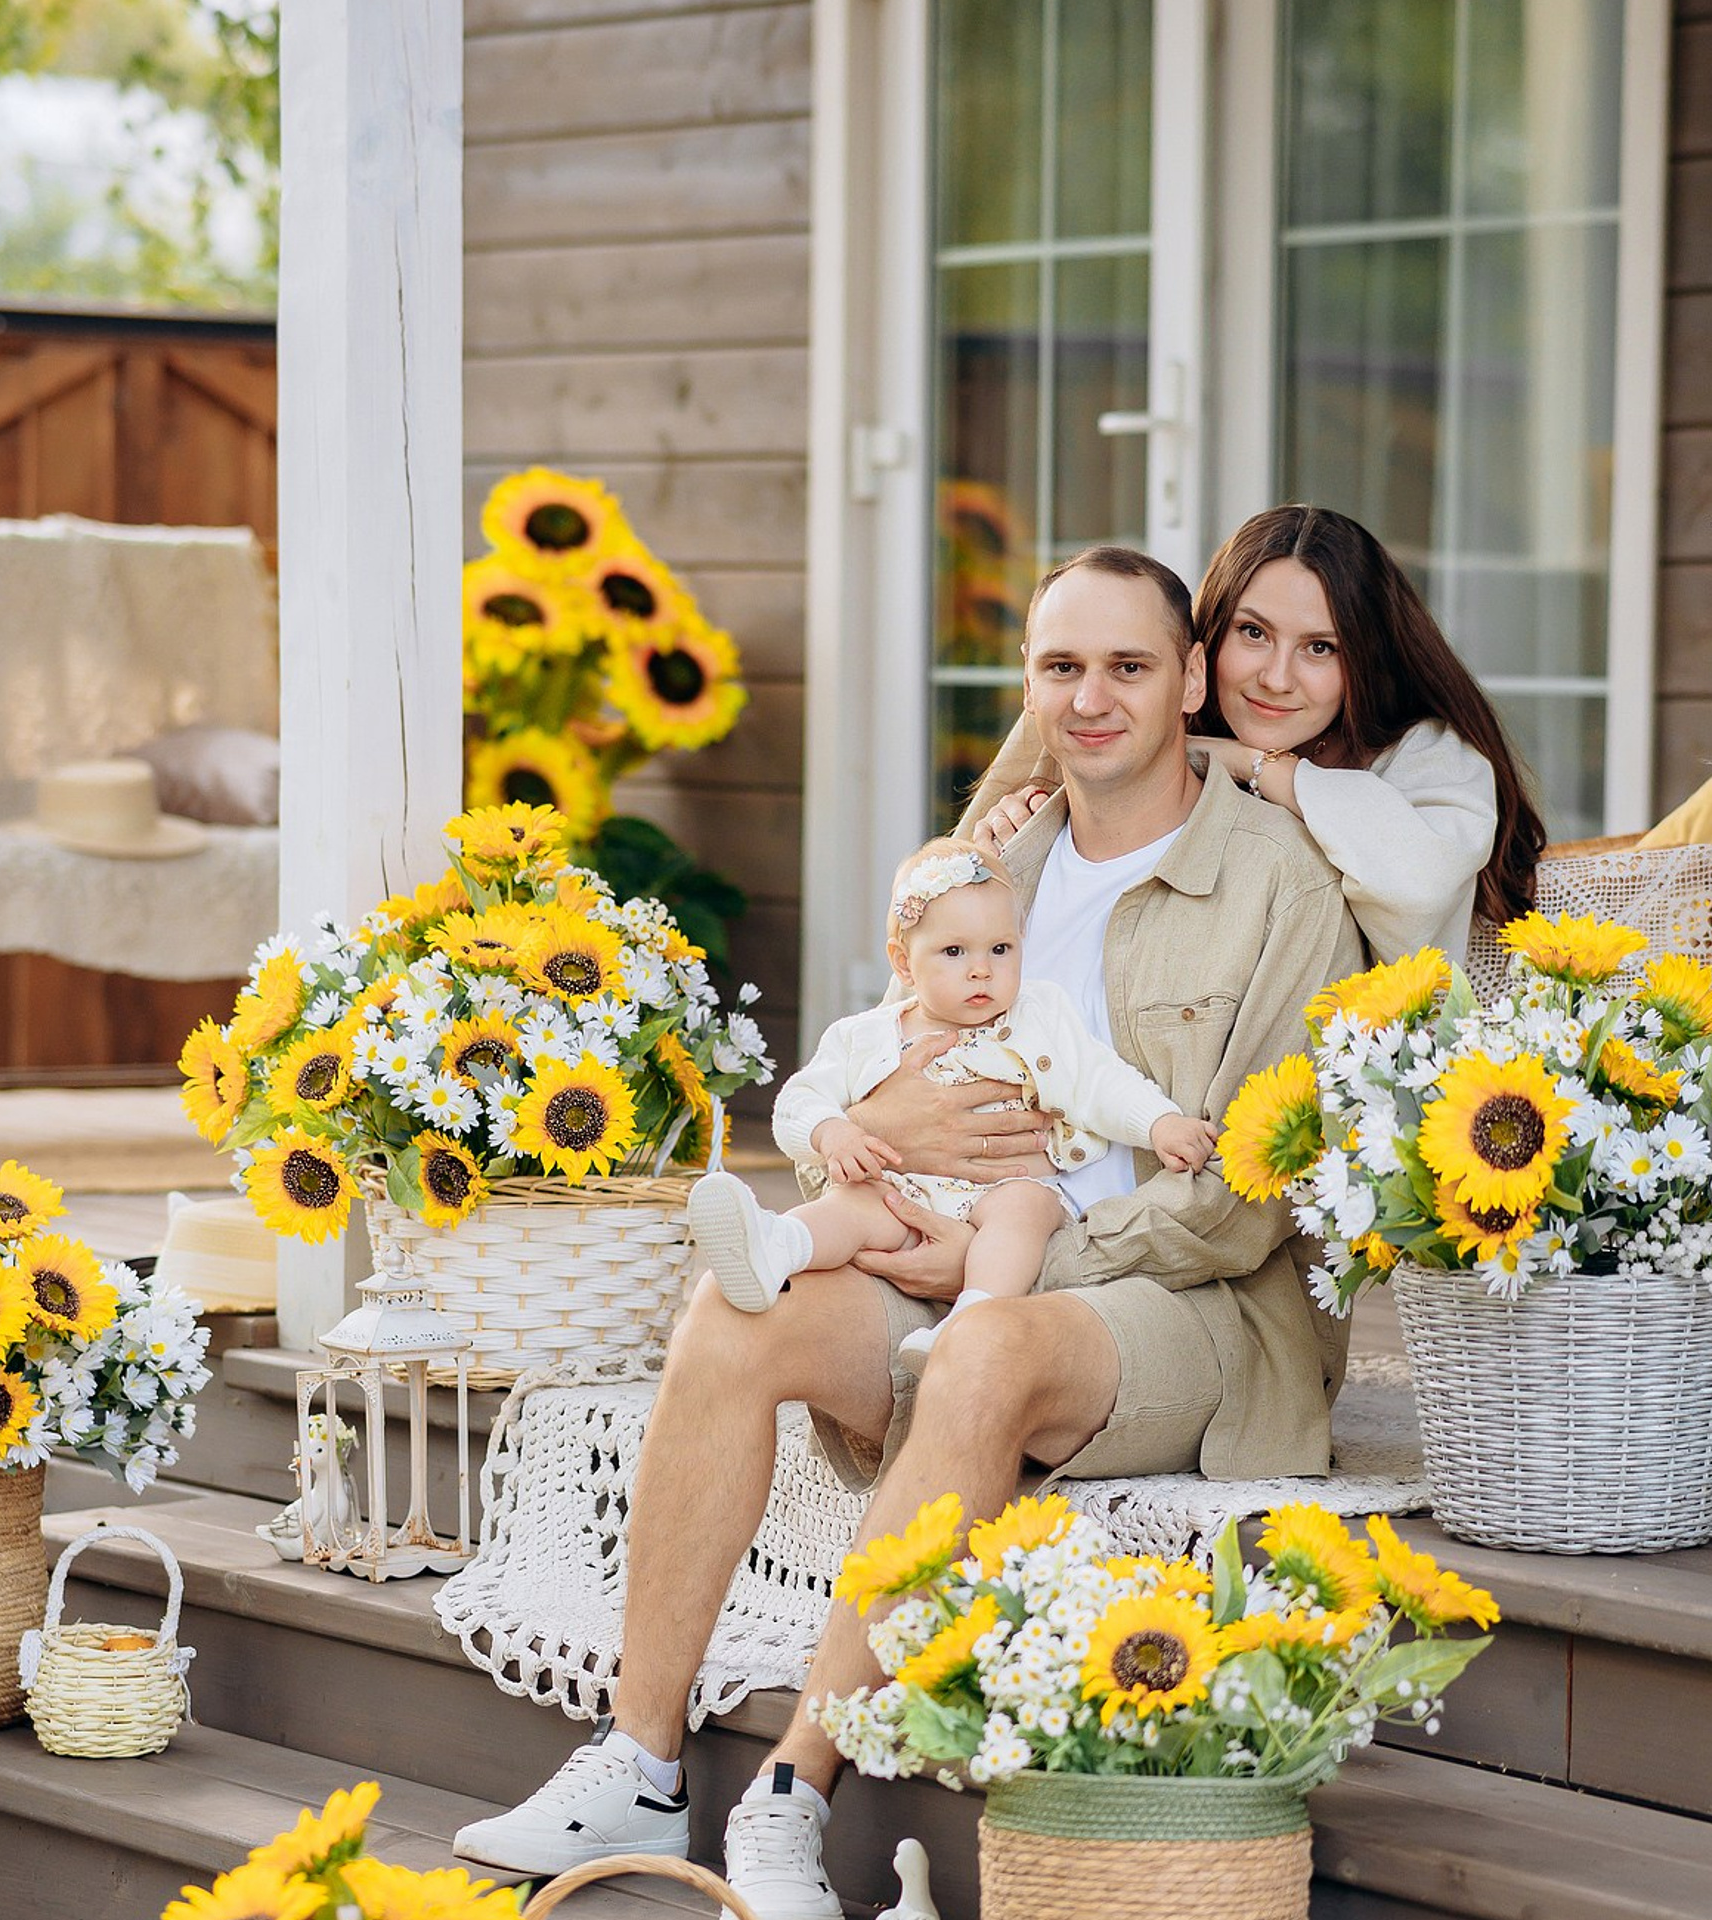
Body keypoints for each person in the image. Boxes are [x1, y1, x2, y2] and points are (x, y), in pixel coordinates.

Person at [453, 544, 1363, 1919]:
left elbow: (1248, 1194)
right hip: (951, 1247)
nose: (1093, 698)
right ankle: (639, 1755)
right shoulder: (995, 858)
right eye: (1062, 667)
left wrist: (1009, 1260)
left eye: (1129, 667)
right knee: (732, 1308)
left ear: (1191, 682)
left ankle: (791, 1797)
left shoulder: (1278, 889)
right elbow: (869, 1068)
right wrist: (894, 1147)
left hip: (1185, 1308)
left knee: (980, 1358)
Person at [686, 835, 1217, 1375]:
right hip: (902, 1195)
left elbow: (1099, 1080)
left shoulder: (1040, 1014)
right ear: (904, 964)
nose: (981, 970)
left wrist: (1159, 1123)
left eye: (1000, 950)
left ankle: (968, 1321)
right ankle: (778, 1246)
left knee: (1027, 1212)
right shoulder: (864, 1036)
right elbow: (797, 1102)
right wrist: (834, 1133)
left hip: (1004, 1185)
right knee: (847, 1208)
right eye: (954, 952)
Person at [965, 505, 1545, 964]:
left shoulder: (1427, 757)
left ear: (1365, 659)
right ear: (1207, 638)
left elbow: (1416, 895)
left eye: (1320, 648)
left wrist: (1256, 765)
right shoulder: (1116, 700)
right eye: (1253, 632)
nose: (1276, 677)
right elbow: (954, 880)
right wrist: (1024, 823)